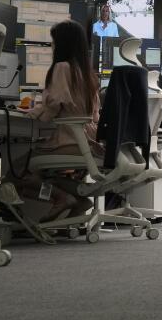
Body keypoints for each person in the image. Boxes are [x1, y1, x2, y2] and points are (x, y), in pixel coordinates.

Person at [24, 19, 103, 221]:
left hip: (69, 140)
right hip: (90, 140)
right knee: (46, 172)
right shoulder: (89, 75)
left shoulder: (61, 67)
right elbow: (95, 115)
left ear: (62, 44)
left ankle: (61, 198)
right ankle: (78, 199)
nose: (52, 46)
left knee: (19, 169)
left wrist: (32, 112)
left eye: (54, 42)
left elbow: (51, 109)